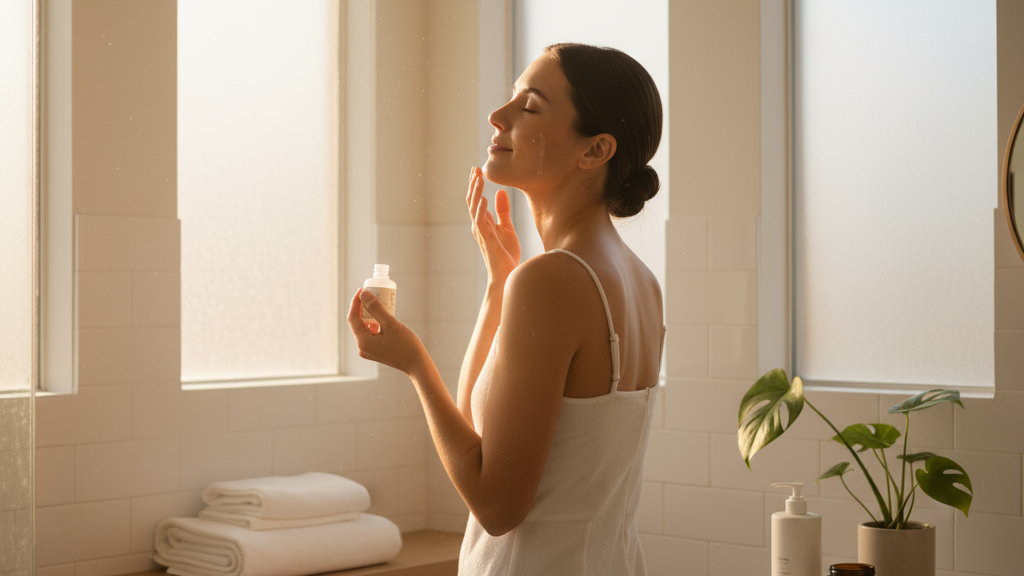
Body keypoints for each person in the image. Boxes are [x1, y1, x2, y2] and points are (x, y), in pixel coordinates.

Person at [348, 42, 665, 575]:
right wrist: (499, 285)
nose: (498, 116)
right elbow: (484, 428)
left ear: (596, 150)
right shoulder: (639, 281)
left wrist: (415, 364)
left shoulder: (553, 281)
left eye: (531, 106)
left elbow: (496, 506)